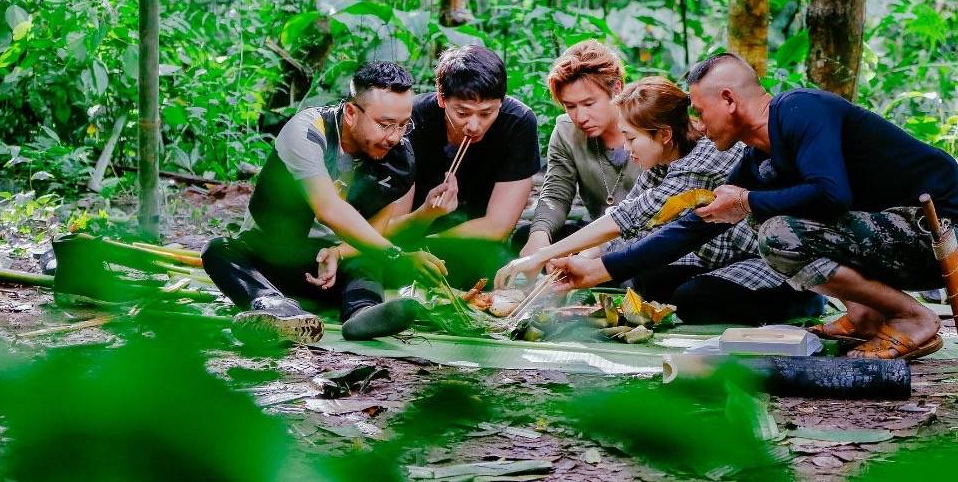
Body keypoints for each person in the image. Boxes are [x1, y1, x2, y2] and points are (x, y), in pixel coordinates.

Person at [552, 53, 958, 361]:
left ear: (729, 101)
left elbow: (832, 193)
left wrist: (748, 201)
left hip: (935, 231)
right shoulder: (757, 158)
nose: (697, 125)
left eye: (700, 111)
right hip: (888, 234)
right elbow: (694, 226)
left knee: (778, 233)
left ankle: (913, 318)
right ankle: (866, 313)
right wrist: (600, 270)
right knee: (774, 225)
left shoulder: (801, 110)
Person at [496, 77, 822, 325]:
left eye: (631, 138)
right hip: (712, 255)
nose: (626, 148)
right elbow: (626, 217)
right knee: (651, 282)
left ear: (663, 134)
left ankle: (801, 301)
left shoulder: (701, 161)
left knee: (692, 300)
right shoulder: (661, 157)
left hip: (767, 260)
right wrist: (575, 258)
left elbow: (631, 217)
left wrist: (542, 257)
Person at [201, 61, 444, 345]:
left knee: (367, 257)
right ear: (352, 113)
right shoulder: (306, 131)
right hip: (272, 255)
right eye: (384, 124)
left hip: (331, 267)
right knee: (218, 250)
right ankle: (275, 307)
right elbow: (328, 209)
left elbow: (374, 234)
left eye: (403, 125)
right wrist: (396, 255)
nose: (394, 136)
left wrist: (339, 253)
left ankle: (363, 314)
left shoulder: (398, 157)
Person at [393, 45, 541, 285]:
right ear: (442, 98)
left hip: (472, 241)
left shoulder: (517, 122)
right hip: (412, 236)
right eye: (462, 113)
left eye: (486, 113)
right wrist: (428, 215)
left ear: (501, 103)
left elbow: (497, 227)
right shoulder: (412, 121)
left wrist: (430, 245)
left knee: (495, 264)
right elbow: (393, 227)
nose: (474, 125)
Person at [516, 40, 643, 257]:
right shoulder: (567, 130)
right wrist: (540, 236)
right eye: (570, 106)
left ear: (617, 89)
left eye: (589, 103)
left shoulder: (650, 127)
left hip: (647, 236)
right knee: (526, 236)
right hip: (595, 235)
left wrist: (590, 253)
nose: (580, 117)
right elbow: (556, 193)